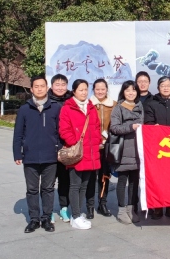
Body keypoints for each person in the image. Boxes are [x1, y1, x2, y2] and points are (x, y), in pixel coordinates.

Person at [13, 75, 60, 233]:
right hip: (30, 156)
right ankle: (34, 219)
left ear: (47, 88)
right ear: (31, 89)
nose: (39, 89)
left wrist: (58, 149)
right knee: (32, 189)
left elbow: (60, 132)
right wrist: (17, 153)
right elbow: (18, 134)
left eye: (42, 86)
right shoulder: (24, 109)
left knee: (48, 189)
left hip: (50, 156)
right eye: (36, 86)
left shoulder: (55, 107)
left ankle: (46, 218)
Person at [58, 79, 102, 230]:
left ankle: (77, 214)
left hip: (90, 152)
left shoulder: (91, 107)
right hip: (77, 153)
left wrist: (96, 141)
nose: (84, 92)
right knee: (75, 185)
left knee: (84, 185)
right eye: (81, 90)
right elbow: (64, 130)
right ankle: (75, 215)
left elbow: (96, 127)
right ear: (74, 91)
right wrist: (75, 143)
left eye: (85, 90)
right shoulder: (67, 108)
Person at [143, 76, 170, 219]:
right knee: (157, 178)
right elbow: (147, 122)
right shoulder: (151, 103)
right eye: (162, 85)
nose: (165, 88)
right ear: (158, 88)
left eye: (168, 85)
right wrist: (153, 127)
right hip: (158, 148)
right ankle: (157, 207)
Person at [109, 80, 144, 225]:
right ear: (123, 92)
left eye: (133, 90)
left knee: (134, 182)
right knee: (122, 181)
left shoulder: (140, 106)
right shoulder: (118, 108)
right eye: (128, 90)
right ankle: (121, 210)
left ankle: (131, 209)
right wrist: (131, 127)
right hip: (123, 150)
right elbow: (114, 128)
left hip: (137, 150)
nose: (131, 93)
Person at [48, 74, 73, 223]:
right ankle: (49, 210)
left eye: (63, 84)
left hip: (67, 147)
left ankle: (64, 208)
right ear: (51, 86)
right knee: (49, 182)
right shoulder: (46, 101)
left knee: (65, 181)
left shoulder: (71, 101)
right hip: (50, 147)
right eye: (57, 84)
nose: (60, 87)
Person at [89, 79, 115, 218]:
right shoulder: (88, 104)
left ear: (106, 89)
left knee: (104, 176)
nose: (100, 91)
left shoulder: (114, 105)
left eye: (102, 89)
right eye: (97, 89)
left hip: (107, 146)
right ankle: (90, 205)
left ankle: (102, 203)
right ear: (93, 89)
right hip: (91, 146)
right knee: (90, 177)